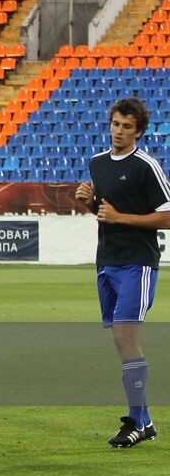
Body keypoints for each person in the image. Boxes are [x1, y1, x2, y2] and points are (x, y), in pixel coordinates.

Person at [75, 96, 170, 448]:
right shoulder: (97, 163)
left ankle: (135, 420)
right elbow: (104, 213)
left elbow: (168, 215)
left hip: (138, 263)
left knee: (124, 339)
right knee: (122, 341)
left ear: (139, 132)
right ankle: (144, 421)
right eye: (116, 124)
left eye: (127, 126)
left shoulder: (146, 166)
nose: (119, 131)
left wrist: (119, 218)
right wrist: (90, 203)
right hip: (107, 262)